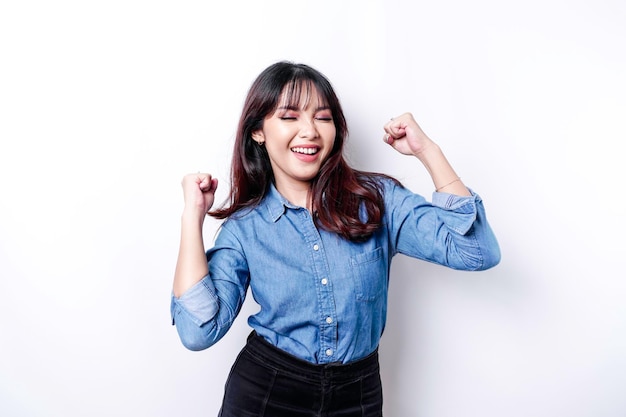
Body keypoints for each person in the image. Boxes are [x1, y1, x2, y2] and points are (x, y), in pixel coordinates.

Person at [170, 61, 500, 417]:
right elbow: (198, 332)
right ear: (258, 131)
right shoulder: (245, 228)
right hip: (267, 395)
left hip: (358, 396)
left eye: (322, 117)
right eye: (289, 116)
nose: (309, 131)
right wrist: (193, 217)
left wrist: (428, 152)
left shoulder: (378, 200)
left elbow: (476, 252)